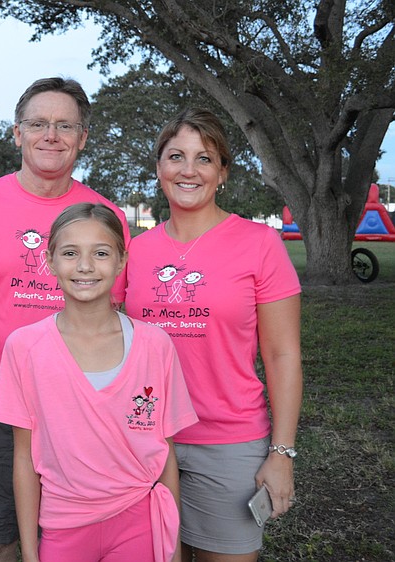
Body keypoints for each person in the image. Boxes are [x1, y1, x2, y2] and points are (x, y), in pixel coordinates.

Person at [0, 77, 131, 562]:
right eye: (39, 123)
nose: (51, 135)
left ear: (83, 137)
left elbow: (115, 309)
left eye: (65, 125)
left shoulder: (107, 214)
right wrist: (7, 365)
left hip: (82, 407)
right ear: (16, 132)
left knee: (76, 537)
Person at [125, 108, 303, 562]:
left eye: (203, 159)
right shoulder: (133, 251)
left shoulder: (259, 244)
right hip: (142, 440)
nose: (188, 170)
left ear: (222, 172)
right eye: (176, 156)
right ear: (159, 168)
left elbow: (282, 355)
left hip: (228, 442)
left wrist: (281, 453)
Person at [0, 203, 198, 562]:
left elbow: (166, 454)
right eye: (71, 253)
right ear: (50, 261)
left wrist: (173, 548)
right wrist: (29, 552)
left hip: (140, 522)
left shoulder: (155, 345)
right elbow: (24, 459)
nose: (85, 266)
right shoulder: (23, 347)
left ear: (121, 262)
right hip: (63, 526)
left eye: (101, 253)